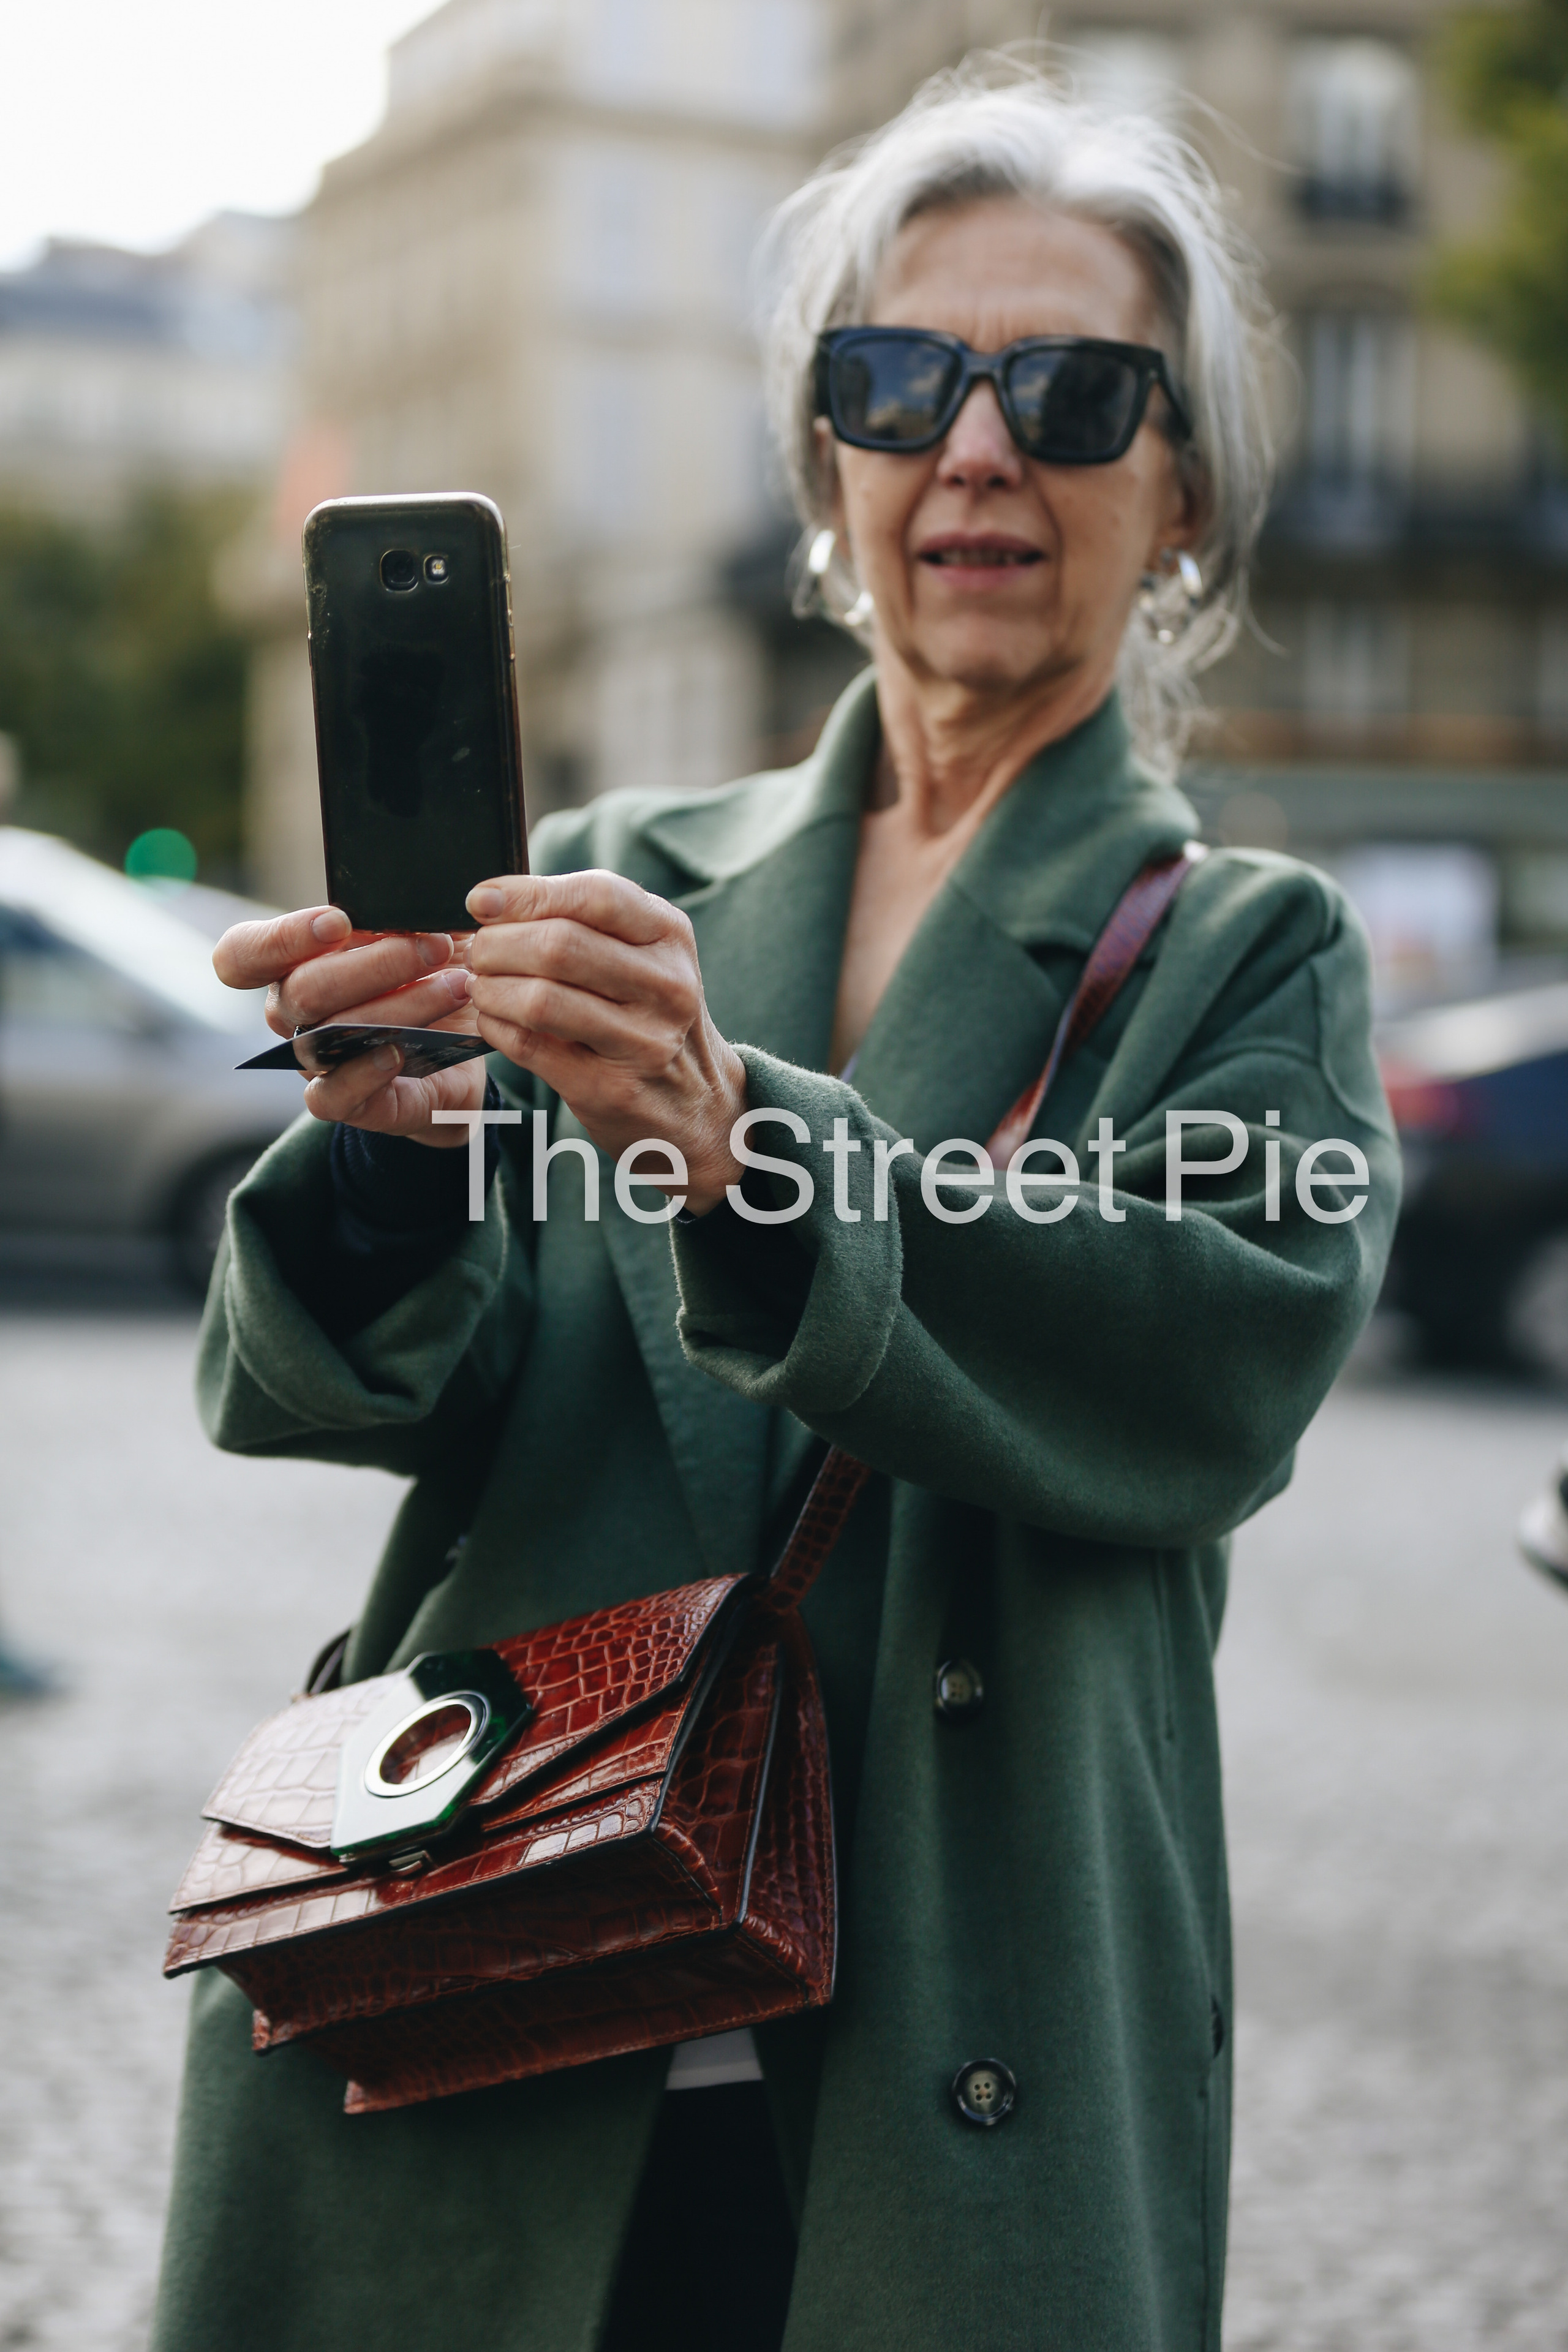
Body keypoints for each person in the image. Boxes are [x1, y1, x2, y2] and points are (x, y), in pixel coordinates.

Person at [151, 62, 1399, 2352]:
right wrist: (383, 1158)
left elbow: (1211, 1361)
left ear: (1190, 493)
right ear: (830, 466)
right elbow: (344, 1394)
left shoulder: (1249, 945)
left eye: (1080, 389)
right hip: (482, 1982)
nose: (980, 444)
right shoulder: (619, 884)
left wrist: (748, 1146)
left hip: (938, 2065)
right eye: (899, 377)